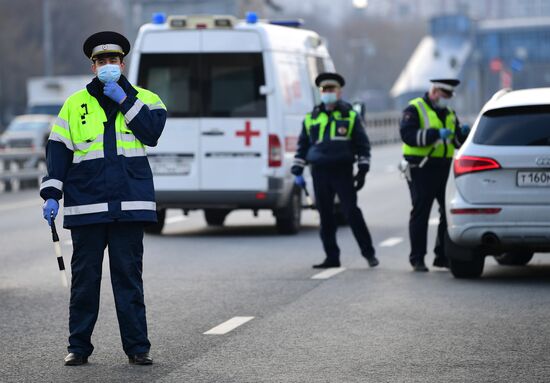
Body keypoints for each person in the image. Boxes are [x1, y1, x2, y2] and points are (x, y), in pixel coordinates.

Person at [40, 31, 167, 366]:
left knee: (128, 281)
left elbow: (151, 133)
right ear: (92, 66)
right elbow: (58, 151)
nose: (108, 65)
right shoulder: (74, 104)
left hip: (129, 206)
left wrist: (124, 98)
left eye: (113, 60)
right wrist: (52, 192)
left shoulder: (146, 98)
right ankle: (78, 347)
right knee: (85, 283)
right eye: (101, 61)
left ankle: (138, 348)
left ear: (121, 64)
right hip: (87, 207)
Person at [291, 72, 379, 269]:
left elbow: (362, 144)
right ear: (320, 92)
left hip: (342, 171)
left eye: (331, 89)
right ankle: (332, 257)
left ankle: (369, 253)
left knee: (352, 213)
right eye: (324, 90)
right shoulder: (311, 117)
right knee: (325, 216)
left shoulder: (349, 116)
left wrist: (363, 170)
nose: (328, 93)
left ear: (339, 92)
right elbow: (303, 145)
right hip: (319, 172)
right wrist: (297, 167)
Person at [399, 79, 469, 272]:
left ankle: (442, 255)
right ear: (435, 91)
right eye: (445, 95)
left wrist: (463, 134)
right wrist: (435, 134)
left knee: (447, 214)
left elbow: (456, 142)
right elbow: (408, 135)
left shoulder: (449, 113)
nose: (447, 100)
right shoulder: (415, 109)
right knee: (421, 212)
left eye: (449, 96)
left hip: (444, 168)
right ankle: (418, 258)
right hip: (421, 168)